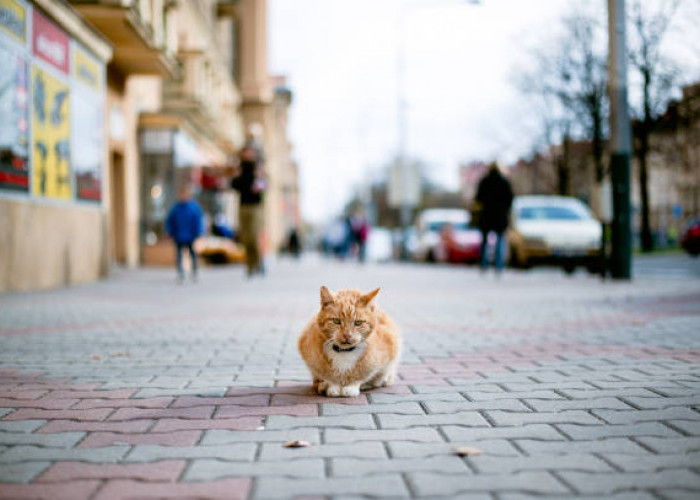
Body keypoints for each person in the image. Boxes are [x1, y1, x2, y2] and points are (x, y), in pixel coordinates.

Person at [231, 146, 266, 277]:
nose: (247, 155)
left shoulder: (258, 168)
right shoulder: (239, 168)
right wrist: (235, 177)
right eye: (245, 153)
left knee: (253, 235)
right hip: (243, 205)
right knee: (245, 237)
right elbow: (234, 186)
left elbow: (265, 186)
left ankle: (258, 262)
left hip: (255, 206)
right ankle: (250, 265)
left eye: (250, 153)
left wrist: (260, 180)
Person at [475, 162, 514, 273]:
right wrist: (504, 209)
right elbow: (510, 199)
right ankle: (499, 265)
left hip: (487, 215)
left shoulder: (484, 182)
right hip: (500, 216)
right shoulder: (504, 182)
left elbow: (478, 198)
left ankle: (483, 264)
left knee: (484, 242)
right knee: (500, 241)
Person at [166, 185, 204, 283]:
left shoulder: (193, 208)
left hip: (190, 235)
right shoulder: (176, 208)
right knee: (179, 254)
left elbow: (198, 221)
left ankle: (194, 271)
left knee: (192, 254)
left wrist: (198, 232)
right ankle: (180, 272)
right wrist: (170, 231)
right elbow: (170, 221)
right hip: (178, 235)